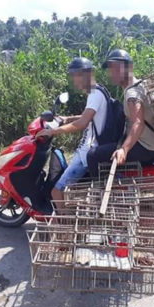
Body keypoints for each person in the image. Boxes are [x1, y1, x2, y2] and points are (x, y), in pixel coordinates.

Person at [35, 57, 107, 203]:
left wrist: (53, 131)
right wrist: (68, 118)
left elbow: (82, 123)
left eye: (76, 76)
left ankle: (62, 224)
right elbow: (88, 116)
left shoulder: (95, 94)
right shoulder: (97, 92)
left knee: (56, 192)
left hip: (87, 152)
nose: (75, 80)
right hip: (86, 149)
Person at [86, 49, 154, 177]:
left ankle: (103, 192)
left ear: (128, 68)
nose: (111, 73)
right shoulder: (141, 84)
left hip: (147, 147)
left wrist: (124, 149)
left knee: (93, 155)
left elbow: (138, 123)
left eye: (116, 68)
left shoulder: (131, 94)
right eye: (110, 69)